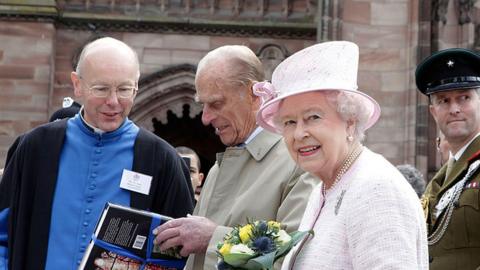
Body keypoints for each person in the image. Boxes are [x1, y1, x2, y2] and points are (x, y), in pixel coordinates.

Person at [0, 37, 194, 269]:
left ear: (137, 85)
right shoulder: (35, 148)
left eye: (124, 89)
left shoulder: (162, 160)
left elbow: (179, 255)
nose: (113, 101)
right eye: (101, 89)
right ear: (77, 84)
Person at [254, 41, 428, 269]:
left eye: (313, 117)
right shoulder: (323, 189)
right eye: (289, 122)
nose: (299, 133)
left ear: (350, 122)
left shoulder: (376, 188)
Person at [152, 45, 316, 270]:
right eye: (203, 105)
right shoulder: (219, 168)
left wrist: (213, 238)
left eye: (216, 103)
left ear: (253, 94)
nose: (206, 118)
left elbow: (295, 257)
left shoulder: (298, 162)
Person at [416, 48, 480, 269]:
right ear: (434, 112)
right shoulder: (440, 179)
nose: (454, 109)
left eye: (464, 97)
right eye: (444, 101)